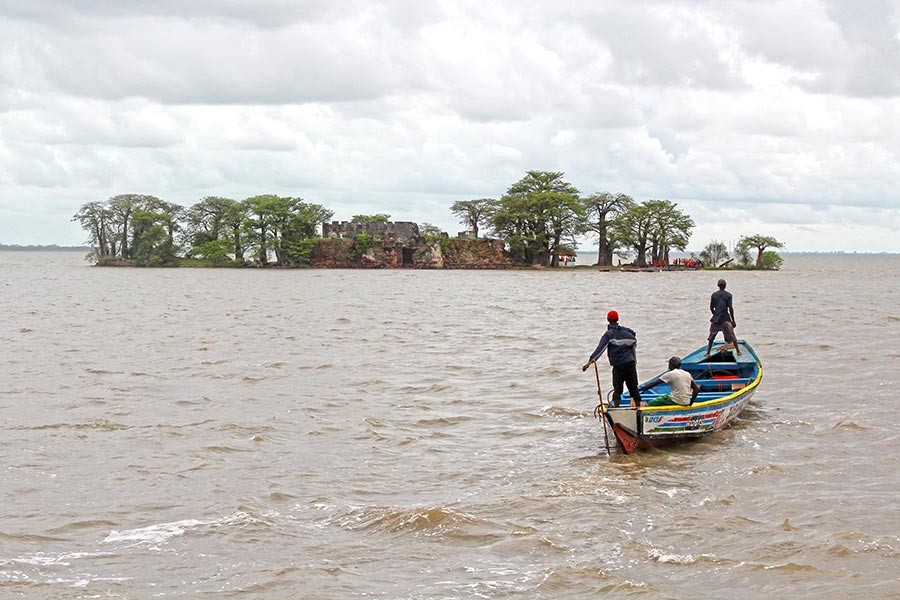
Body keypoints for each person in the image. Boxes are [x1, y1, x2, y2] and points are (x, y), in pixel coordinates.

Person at [581, 310, 642, 408]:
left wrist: (589, 363)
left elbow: (600, 349)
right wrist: (634, 362)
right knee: (633, 387)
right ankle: (638, 407)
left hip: (618, 365)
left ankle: (616, 408)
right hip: (630, 364)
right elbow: (633, 347)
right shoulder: (629, 333)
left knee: (617, 389)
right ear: (618, 319)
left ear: (608, 320)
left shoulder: (609, 334)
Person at [707, 278, 741, 356]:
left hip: (716, 319)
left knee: (711, 336)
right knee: (732, 336)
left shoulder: (714, 295)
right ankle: (738, 351)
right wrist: (733, 320)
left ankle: (708, 352)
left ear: (718, 286)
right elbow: (730, 308)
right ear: (725, 286)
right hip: (725, 318)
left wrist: (715, 315)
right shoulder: (728, 295)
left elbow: (711, 307)